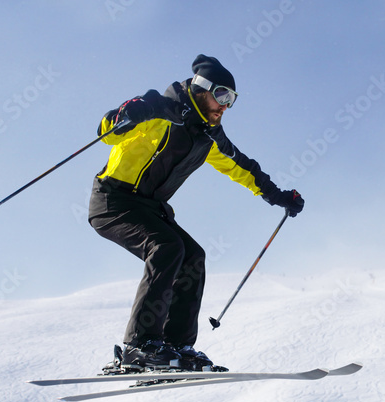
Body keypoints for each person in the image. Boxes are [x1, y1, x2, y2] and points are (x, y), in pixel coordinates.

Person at [88, 54, 303, 372]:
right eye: (221, 95)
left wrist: (277, 196)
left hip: (151, 208)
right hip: (114, 201)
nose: (225, 106)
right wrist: (131, 110)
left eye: (232, 100)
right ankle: (140, 345)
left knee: (193, 257)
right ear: (202, 88)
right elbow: (108, 132)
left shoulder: (208, 137)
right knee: (167, 247)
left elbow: (242, 167)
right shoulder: (161, 111)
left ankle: (176, 347)